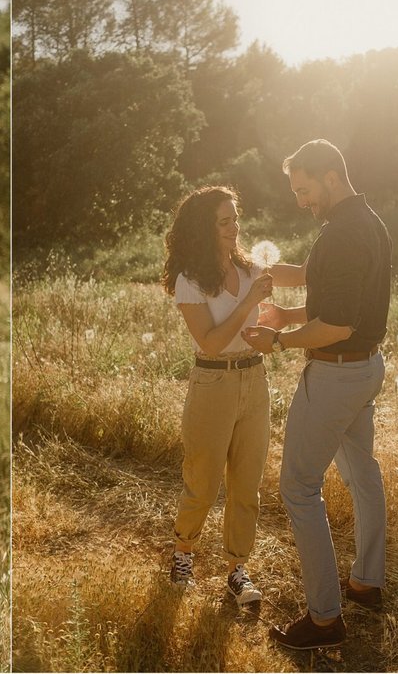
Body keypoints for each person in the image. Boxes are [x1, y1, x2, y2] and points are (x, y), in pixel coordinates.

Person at [242, 138, 391, 650]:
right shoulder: (364, 222)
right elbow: (326, 292)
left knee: (299, 487)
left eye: (304, 189)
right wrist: (286, 312)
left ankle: (325, 619)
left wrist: (280, 339)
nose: (301, 201)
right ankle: (367, 582)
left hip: (336, 375)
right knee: (362, 471)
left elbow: (338, 322)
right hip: (366, 369)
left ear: (331, 176)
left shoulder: (344, 232)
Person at [161, 186, 273, 604]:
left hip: (255, 381)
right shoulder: (189, 280)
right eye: (224, 222)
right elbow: (209, 342)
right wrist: (248, 304)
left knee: (247, 484)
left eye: (235, 219)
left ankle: (237, 569)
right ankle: (183, 553)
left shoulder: (249, 268)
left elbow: (284, 282)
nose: (234, 228)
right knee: (202, 484)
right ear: (203, 229)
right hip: (213, 383)